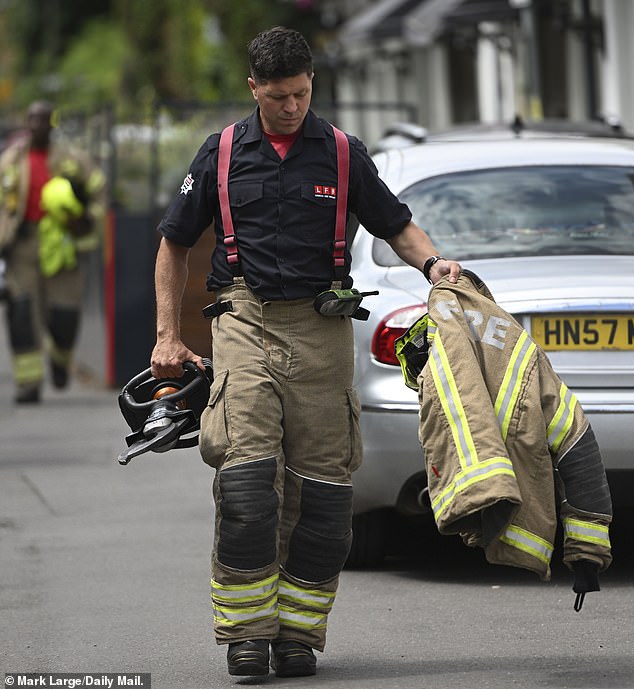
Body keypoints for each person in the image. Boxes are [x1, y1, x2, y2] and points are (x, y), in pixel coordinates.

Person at [151, 26, 461, 679]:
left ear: (310, 82)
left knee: (322, 493)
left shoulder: (344, 154)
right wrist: (167, 335)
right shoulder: (223, 153)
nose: (292, 106)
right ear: (254, 87)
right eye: (279, 96)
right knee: (246, 482)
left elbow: (396, 224)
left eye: (301, 93)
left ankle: (299, 633)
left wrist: (434, 262)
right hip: (244, 319)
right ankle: (245, 632)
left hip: (322, 328)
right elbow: (174, 243)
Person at [0, 100, 107, 403]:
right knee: (21, 314)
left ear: (52, 124)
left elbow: (99, 190)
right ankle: (29, 383)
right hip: (22, 246)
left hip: (62, 246)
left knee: (64, 315)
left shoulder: (72, 161)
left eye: (43, 120)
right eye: (32, 119)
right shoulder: (10, 161)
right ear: (26, 122)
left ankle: (61, 361)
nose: (37, 125)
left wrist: (85, 219)